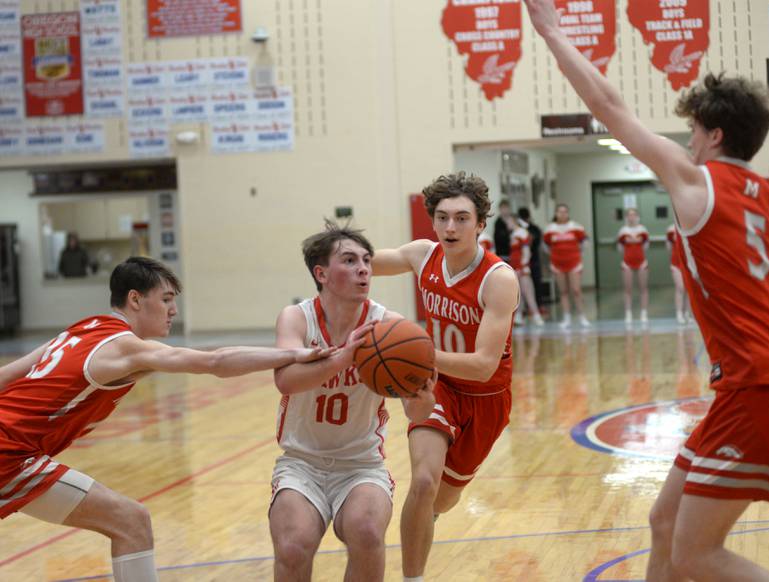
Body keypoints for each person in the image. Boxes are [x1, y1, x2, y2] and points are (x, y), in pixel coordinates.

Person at [525, 1, 769, 580]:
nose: (687, 138)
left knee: (696, 553)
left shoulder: (695, 178)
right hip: (758, 381)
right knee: (664, 523)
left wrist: (552, 31)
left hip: (756, 384)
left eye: (694, 128)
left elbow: (608, 105)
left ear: (714, 134)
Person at [0, 256, 331, 582]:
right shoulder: (126, 349)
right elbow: (215, 362)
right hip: (9, 453)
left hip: (13, 448)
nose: (174, 310)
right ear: (135, 299)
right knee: (131, 522)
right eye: (166, 299)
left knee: (129, 521)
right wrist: (294, 353)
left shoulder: (81, 329)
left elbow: (8, 374)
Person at [372, 172, 519, 582]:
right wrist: (334, 257)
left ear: (480, 224)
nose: (450, 227)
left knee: (441, 500)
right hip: (435, 386)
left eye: (461, 218)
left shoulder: (498, 279)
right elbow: (362, 264)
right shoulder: (422, 255)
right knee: (422, 480)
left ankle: (428, 516)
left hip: (487, 399)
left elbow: (484, 364)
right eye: (442, 217)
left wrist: (416, 352)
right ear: (432, 221)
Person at [268, 222, 435, 582]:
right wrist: (345, 356)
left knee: (368, 532)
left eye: (366, 260)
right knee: (293, 546)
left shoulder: (389, 326)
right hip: (301, 463)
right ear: (322, 273)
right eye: (349, 260)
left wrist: (424, 396)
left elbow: (414, 411)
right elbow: (286, 380)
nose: (363, 268)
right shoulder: (297, 318)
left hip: (361, 465)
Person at [543, 203, 590, 329]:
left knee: (576, 290)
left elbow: (585, 242)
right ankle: (567, 317)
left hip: (574, 262)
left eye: (565, 212)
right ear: (556, 213)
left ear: (568, 213)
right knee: (563, 291)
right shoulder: (550, 229)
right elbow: (546, 246)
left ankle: (582, 316)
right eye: (559, 211)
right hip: (557, 264)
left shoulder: (576, 227)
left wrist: (578, 253)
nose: (562, 214)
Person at [616, 208, 650, 324]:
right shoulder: (622, 231)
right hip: (627, 263)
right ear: (626, 217)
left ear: (637, 217)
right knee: (627, 289)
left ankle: (644, 313)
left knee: (643, 288)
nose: (632, 217)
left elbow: (646, 246)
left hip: (642, 262)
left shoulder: (643, 230)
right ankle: (628, 314)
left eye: (634, 215)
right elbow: (620, 248)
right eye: (629, 215)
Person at [509, 215, 545, 326]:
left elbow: (526, 251)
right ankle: (519, 316)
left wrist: (523, 266)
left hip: (522, 267)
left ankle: (537, 316)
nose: (507, 224)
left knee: (528, 292)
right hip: (515, 266)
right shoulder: (513, 234)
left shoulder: (522, 233)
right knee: (518, 294)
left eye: (509, 222)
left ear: (514, 221)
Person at [517, 206, 546, 309]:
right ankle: (524, 308)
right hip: (521, 261)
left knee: (536, 283)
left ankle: (539, 305)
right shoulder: (517, 230)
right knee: (521, 287)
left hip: (533, 260)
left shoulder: (534, 229)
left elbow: (536, 243)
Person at [666, 224, 690, 324]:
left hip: (688, 263)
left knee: (689, 289)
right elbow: (668, 247)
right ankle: (679, 313)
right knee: (680, 287)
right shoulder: (671, 229)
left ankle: (688, 313)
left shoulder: (689, 226)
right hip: (676, 263)